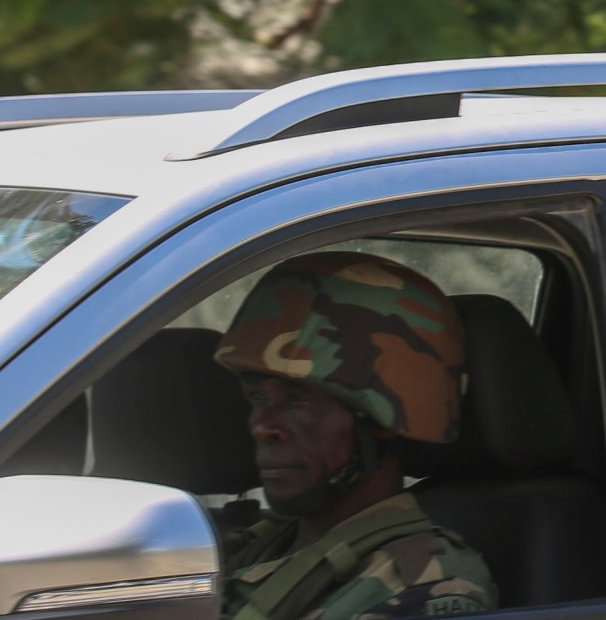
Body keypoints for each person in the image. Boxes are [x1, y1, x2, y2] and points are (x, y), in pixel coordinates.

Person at [212, 252, 495, 620]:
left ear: (383, 421)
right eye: (258, 397)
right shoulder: (259, 545)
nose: (263, 426)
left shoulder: (426, 583)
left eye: (299, 400)